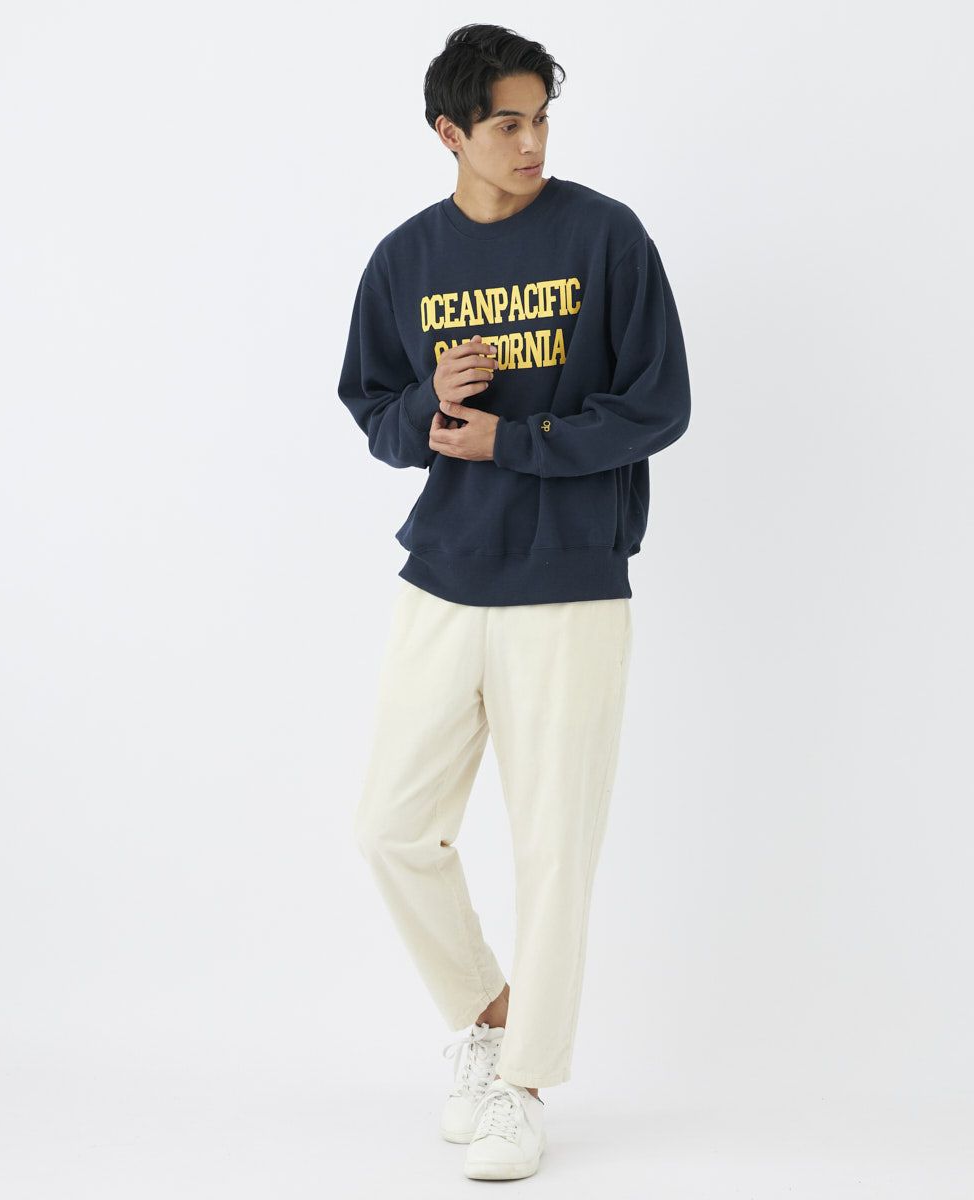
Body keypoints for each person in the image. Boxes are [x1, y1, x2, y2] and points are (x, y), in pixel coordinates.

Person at [337, 22, 691, 1181]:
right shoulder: (405, 259)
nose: (532, 143)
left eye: (541, 120)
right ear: (450, 133)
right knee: (392, 827)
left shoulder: (605, 237)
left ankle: (524, 1089)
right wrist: (428, 404)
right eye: (506, 124)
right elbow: (376, 414)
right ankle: (491, 1021)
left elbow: (660, 405)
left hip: (570, 580)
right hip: (443, 570)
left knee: (553, 848)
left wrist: (517, 439)